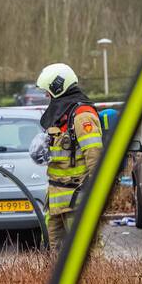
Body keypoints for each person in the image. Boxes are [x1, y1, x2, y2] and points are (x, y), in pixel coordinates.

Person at [31, 63, 103, 250]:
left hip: (78, 200)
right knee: (52, 251)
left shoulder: (82, 116)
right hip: (57, 200)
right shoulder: (62, 114)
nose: (47, 96)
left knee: (84, 251)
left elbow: (94, 154)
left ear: (58, 87)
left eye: (48, 91)